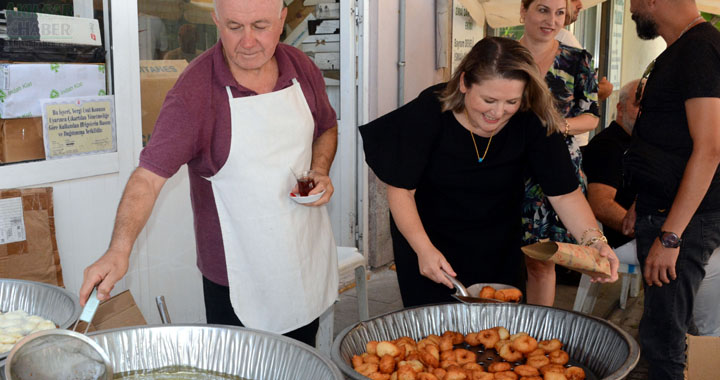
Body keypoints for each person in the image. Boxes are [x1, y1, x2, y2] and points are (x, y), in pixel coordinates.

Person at [79, 0, 340, 346]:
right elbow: (148, 177)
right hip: (237, 281)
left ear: (281, 21)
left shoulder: (301, 67)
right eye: (234, 27)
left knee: (301, 360)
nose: (247, 41)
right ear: (216, 20)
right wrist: (118, 249)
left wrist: (320, 170)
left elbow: (326, 127)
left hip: (305, 260)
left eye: (260, 26)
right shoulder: (195, 92)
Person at [359, 36, 618, 308]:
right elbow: (401, 189)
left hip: (499, 243)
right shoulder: (430, 111)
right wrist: (423, 249)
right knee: (434, 338)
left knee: (501, 334)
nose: (498, 112)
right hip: (428, 238)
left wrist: (594, 242)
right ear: (463, 83)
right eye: (489, 99)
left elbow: (564, 194)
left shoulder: (532, 118)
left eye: (511, 102)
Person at [625, 0, 720, 378]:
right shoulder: (682, 47)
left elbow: (710, 148)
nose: (632, 10)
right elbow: (671, 141)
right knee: (658, 333)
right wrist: (640, 198)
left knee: (665, 343)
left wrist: (671, 236)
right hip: (662, 210)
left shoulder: (699, 48)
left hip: (681, 223)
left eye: (634, 2)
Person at [518, 0, 600, 306]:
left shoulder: (576, 60)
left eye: (559, 12)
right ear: (523, 11)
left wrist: (555, 127)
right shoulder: (501, 56)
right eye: (542, 9)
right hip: (504, 165)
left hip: (554, 171)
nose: (551, 19)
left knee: (541, 260)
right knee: (497, 253)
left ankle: (537, 337)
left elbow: (591, 116)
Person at [583, 79, 640, 249]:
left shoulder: (642, 145)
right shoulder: (608, 146)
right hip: (623, 242)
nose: (645, 112)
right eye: (638, 105)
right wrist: (647, 232)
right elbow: (601, 205)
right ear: (620, 108)